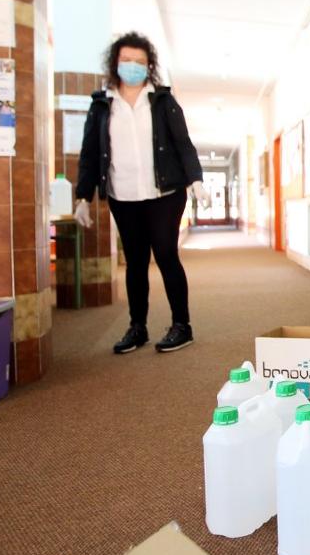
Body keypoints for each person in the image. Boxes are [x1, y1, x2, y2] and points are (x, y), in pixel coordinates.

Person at [73, 31, 211, 354]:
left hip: (165, 192)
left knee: (165, 254)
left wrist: (196, 180)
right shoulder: (102, 105)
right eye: (126, 61)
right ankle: (138, 327)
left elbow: (183, 144)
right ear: (115, 63)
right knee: (135, 261)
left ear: (149, 65)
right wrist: (83, 197)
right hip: (123, 195)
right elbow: (90, 154)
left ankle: (182, 325)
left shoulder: (161, 100)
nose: (133, 66)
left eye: (139, 61)